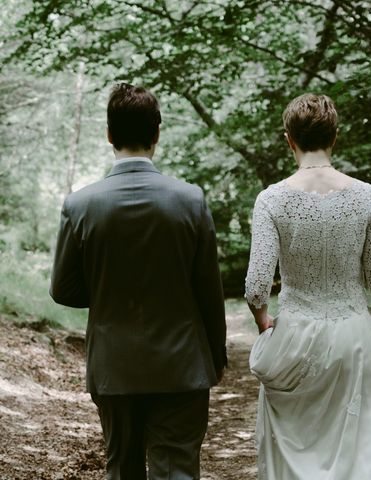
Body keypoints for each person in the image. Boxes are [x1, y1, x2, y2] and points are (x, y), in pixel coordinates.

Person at [50, 83, 227, 480]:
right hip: (182, 366)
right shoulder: (190, 200)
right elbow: (208, 291)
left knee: (123, 470)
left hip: (113, 367)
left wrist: (107, 288)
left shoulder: (80, 205)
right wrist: (214, 357)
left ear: (109, 134)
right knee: (177, 470)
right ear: (157, 133)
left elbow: (63, 289)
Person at [245, 93, 371, 479]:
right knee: (357, 455)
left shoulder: (271, 200)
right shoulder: (366, 196)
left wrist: (263, 321)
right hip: (353, 339)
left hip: (296, 340)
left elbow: (257, 286)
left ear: (289, 139)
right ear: (334, 137)